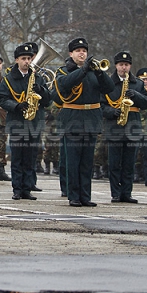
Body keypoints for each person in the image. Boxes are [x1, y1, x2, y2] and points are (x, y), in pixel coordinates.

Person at [54, 38, 115, 207]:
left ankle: (85, 196)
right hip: (72, 120)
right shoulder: (64, 71)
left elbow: (109, 88)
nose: (82, 53)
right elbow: (64, 85)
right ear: (71, 54)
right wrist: (83, 70)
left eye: (84, 50)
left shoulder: (94, 72)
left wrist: (100, 73)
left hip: (91, 120)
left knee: (87, 162)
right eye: (78, 50)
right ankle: (73, 196)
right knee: (73, 161)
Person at [0, 43, 51, 200]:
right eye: (23, 59)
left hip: (34, 123)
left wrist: (42, 90)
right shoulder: (8, 79)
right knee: (17, 157)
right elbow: (1, 98)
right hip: (17, 123)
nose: (27, 61)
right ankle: (17, 188)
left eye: (29, 58)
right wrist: (17, 105)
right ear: (16, 60)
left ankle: (27, 188)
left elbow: (48, 101)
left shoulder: (38, 78)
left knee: (30, 157)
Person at [101, 52, 147, 204]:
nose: (124, 67)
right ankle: (115, 193)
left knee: (129, 163)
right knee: (114, 163)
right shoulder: (108, 83)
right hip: (115, 127)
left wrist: (136, 95)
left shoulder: (137, 83)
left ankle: (127, 193)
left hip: (133, 126)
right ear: (116, 66)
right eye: (121, 65)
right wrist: (112, 112)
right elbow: (101, 104)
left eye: (127, 65)